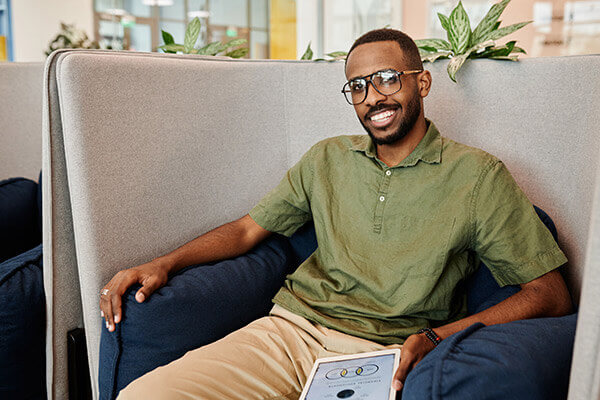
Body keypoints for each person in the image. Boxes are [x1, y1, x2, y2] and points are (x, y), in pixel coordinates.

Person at [102, 29, 573, 399]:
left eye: (388, 78)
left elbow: (550, 294)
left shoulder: (478, 176)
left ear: (422, 81)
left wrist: (436, 338)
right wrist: (164, 263)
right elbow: (248, 230)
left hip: (385, 354)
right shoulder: (326, 158)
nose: (373, 97)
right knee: (144, 393)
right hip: (289, 333)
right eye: (358, 86)